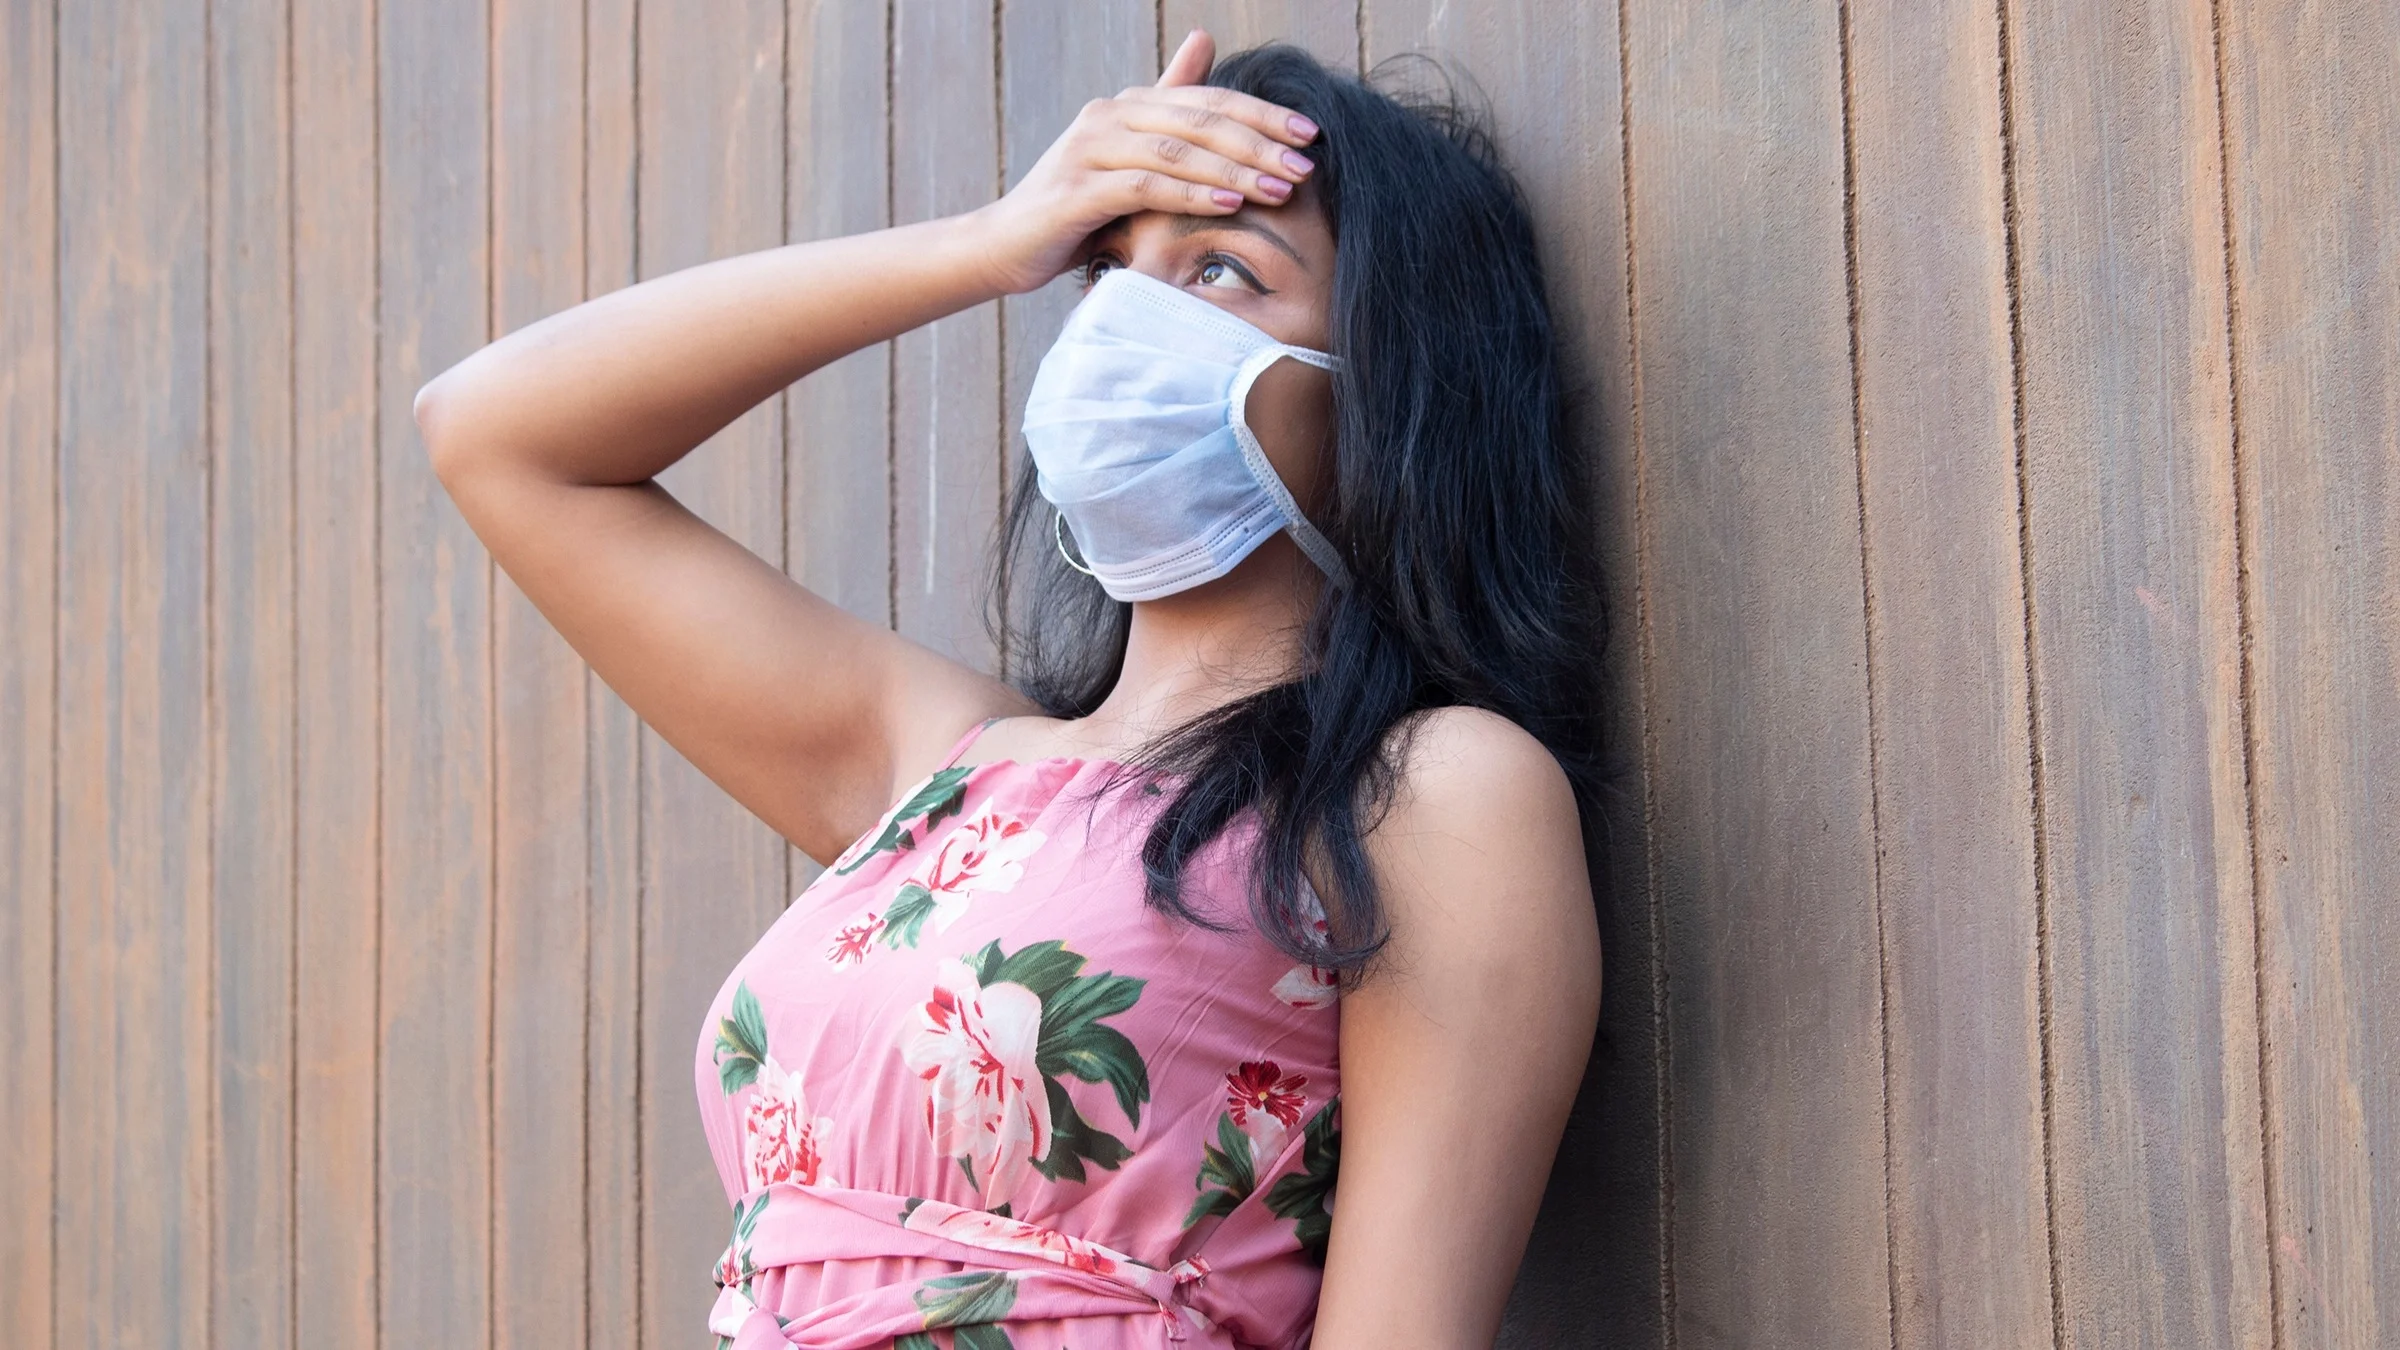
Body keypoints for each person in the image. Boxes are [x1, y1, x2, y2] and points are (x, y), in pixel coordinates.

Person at [415, 27, 1606, 1350]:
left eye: (1223, 269)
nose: (1132, 322)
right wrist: (997, 238)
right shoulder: (941, 768)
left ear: (1391, 382)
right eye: (1111, 271)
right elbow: (494, 431)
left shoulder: (1437, 793)